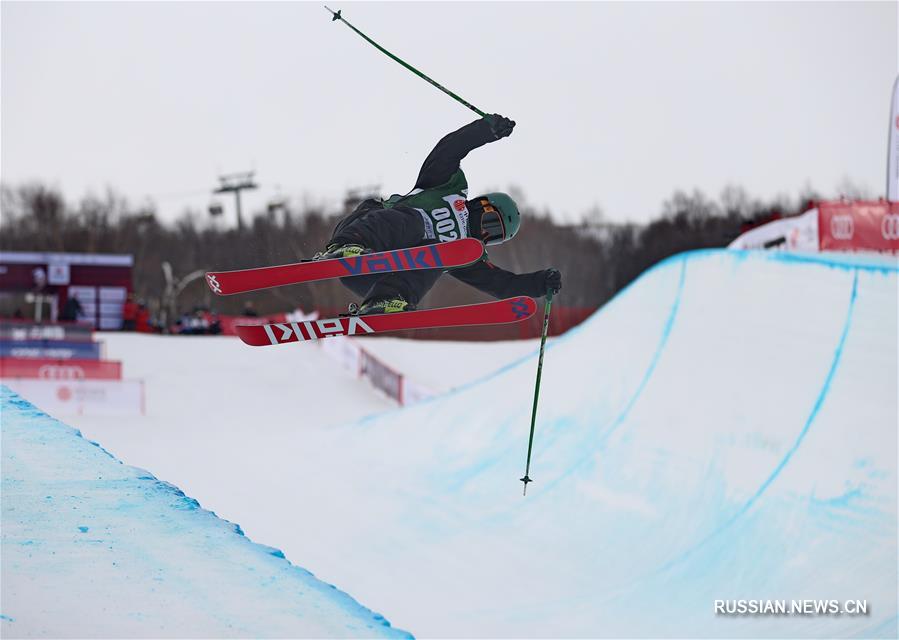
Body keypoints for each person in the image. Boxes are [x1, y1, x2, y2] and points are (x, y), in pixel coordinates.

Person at [315, 114, 562, 315]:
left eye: (494, 236)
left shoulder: (467, 253)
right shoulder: (449, 188)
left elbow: (502, 284)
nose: (485, 233)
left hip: (371, 278)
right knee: (416, 222)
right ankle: (346, 246)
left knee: (438, 254)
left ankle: (387, 300)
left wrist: (540, 283)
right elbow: (449, 150)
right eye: (490, 222)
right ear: (482, 204)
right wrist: (485, 130)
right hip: (363, 231)